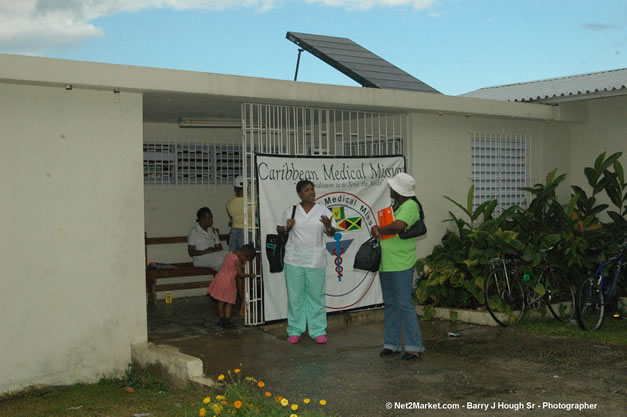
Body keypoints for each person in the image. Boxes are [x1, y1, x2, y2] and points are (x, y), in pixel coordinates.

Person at [371, 172, 425, 361]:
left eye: (392, 186)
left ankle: (414, 347)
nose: (390, 189)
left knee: (404, 304)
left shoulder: (410, 206)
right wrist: (378, 229)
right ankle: (391, 344)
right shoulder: (396, 205)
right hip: (387, 263)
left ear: (399, 189)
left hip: (401, 263)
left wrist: (379, 230)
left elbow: (398, 227)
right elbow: (391, 226)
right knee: (391, 304)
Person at [277, 180, 336, 345]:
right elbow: (279, 229)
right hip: (293, 260)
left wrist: (328, 225)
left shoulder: (323, 210)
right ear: (299, 194)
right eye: (307, 190)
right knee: (295, 297)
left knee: (316, 297)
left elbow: (331, 233)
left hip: (315, 260)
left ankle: (318, 331)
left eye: (312, 189)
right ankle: (295, 330)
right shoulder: (292, 210)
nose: (311, 192)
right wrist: (286, 227)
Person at [207, 244, 257, 328]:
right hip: (228, 281)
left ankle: (221, 319)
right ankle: (227, 321)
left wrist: (242, 264)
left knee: (221, 301)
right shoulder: (237, 260)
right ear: (243, 254)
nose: (245, 260)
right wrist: (250, 275)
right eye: (246, 259)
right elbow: (240, 274)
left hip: (221, 278)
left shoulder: (230, 254)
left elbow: (232, 266)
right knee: (229, 302)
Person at [226, 175, 255, 315]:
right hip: (247, 232)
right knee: (249, 267)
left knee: (237, 270)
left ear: (235, 188)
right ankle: (247, 301)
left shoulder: (230, 204)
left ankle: (240, 299)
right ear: (247, 187)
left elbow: (233, 217)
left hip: (234, 234)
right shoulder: (252, 202)